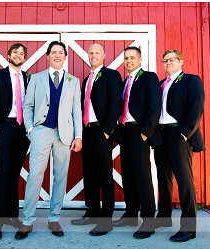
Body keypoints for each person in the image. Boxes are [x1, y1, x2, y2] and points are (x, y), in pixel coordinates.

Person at [16, 41, 83, 240]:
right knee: (35, 175)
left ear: (65, 57)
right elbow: (27, 106)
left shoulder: (74, 81)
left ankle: (54, 218)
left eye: (60, 52)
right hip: (41, 131)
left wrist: (78, 136)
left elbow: (76, 111)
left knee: (60, 177)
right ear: (47, 56)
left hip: (64, 135)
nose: (57, 55)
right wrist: (30, 129)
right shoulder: (36, 78)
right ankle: (27, 221)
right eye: (53, 52)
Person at [70, 42, 123, 237]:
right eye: (90, 53)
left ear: (103, 56)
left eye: (97, 53)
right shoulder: (86, 79)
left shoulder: (111, 75)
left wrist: (107, 131)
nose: (93, 55)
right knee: (89, 173)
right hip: (87, 132)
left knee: (103, 174)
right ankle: (92, 211)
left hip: (101, 131)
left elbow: (116, 103)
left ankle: (106, 219)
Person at [153, 49, 205, 242]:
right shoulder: (160, 85)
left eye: (172, 60)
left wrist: (184, 133)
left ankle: (189, 228)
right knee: (163, 177)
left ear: (181, 62)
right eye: (165, 61)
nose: (168, 63)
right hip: (161, 135)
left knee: (184, 180)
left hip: (179, 134)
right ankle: (164, 217)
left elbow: (197, 107)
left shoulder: (191, 80)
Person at [0, 42, 31, 240]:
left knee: (14, 173)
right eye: (15, 52)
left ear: (24, 57)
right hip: (6, 128)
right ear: (9, 55)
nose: (18, 55)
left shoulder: (29, 78)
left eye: (22, 53)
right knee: (3, 173)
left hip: (23, 131)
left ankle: (12, 216)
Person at [115, 46, 162, 240]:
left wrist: (145, 132)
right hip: (125, 131)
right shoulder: (125, 81)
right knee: (127, 173)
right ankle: (131, 213)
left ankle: (149, 220)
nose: (129, 61)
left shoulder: (149, 77)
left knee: (142, 176)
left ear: (140, 59)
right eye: (126, 58)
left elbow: (154, 105)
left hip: (138, 131)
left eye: (132, 58)